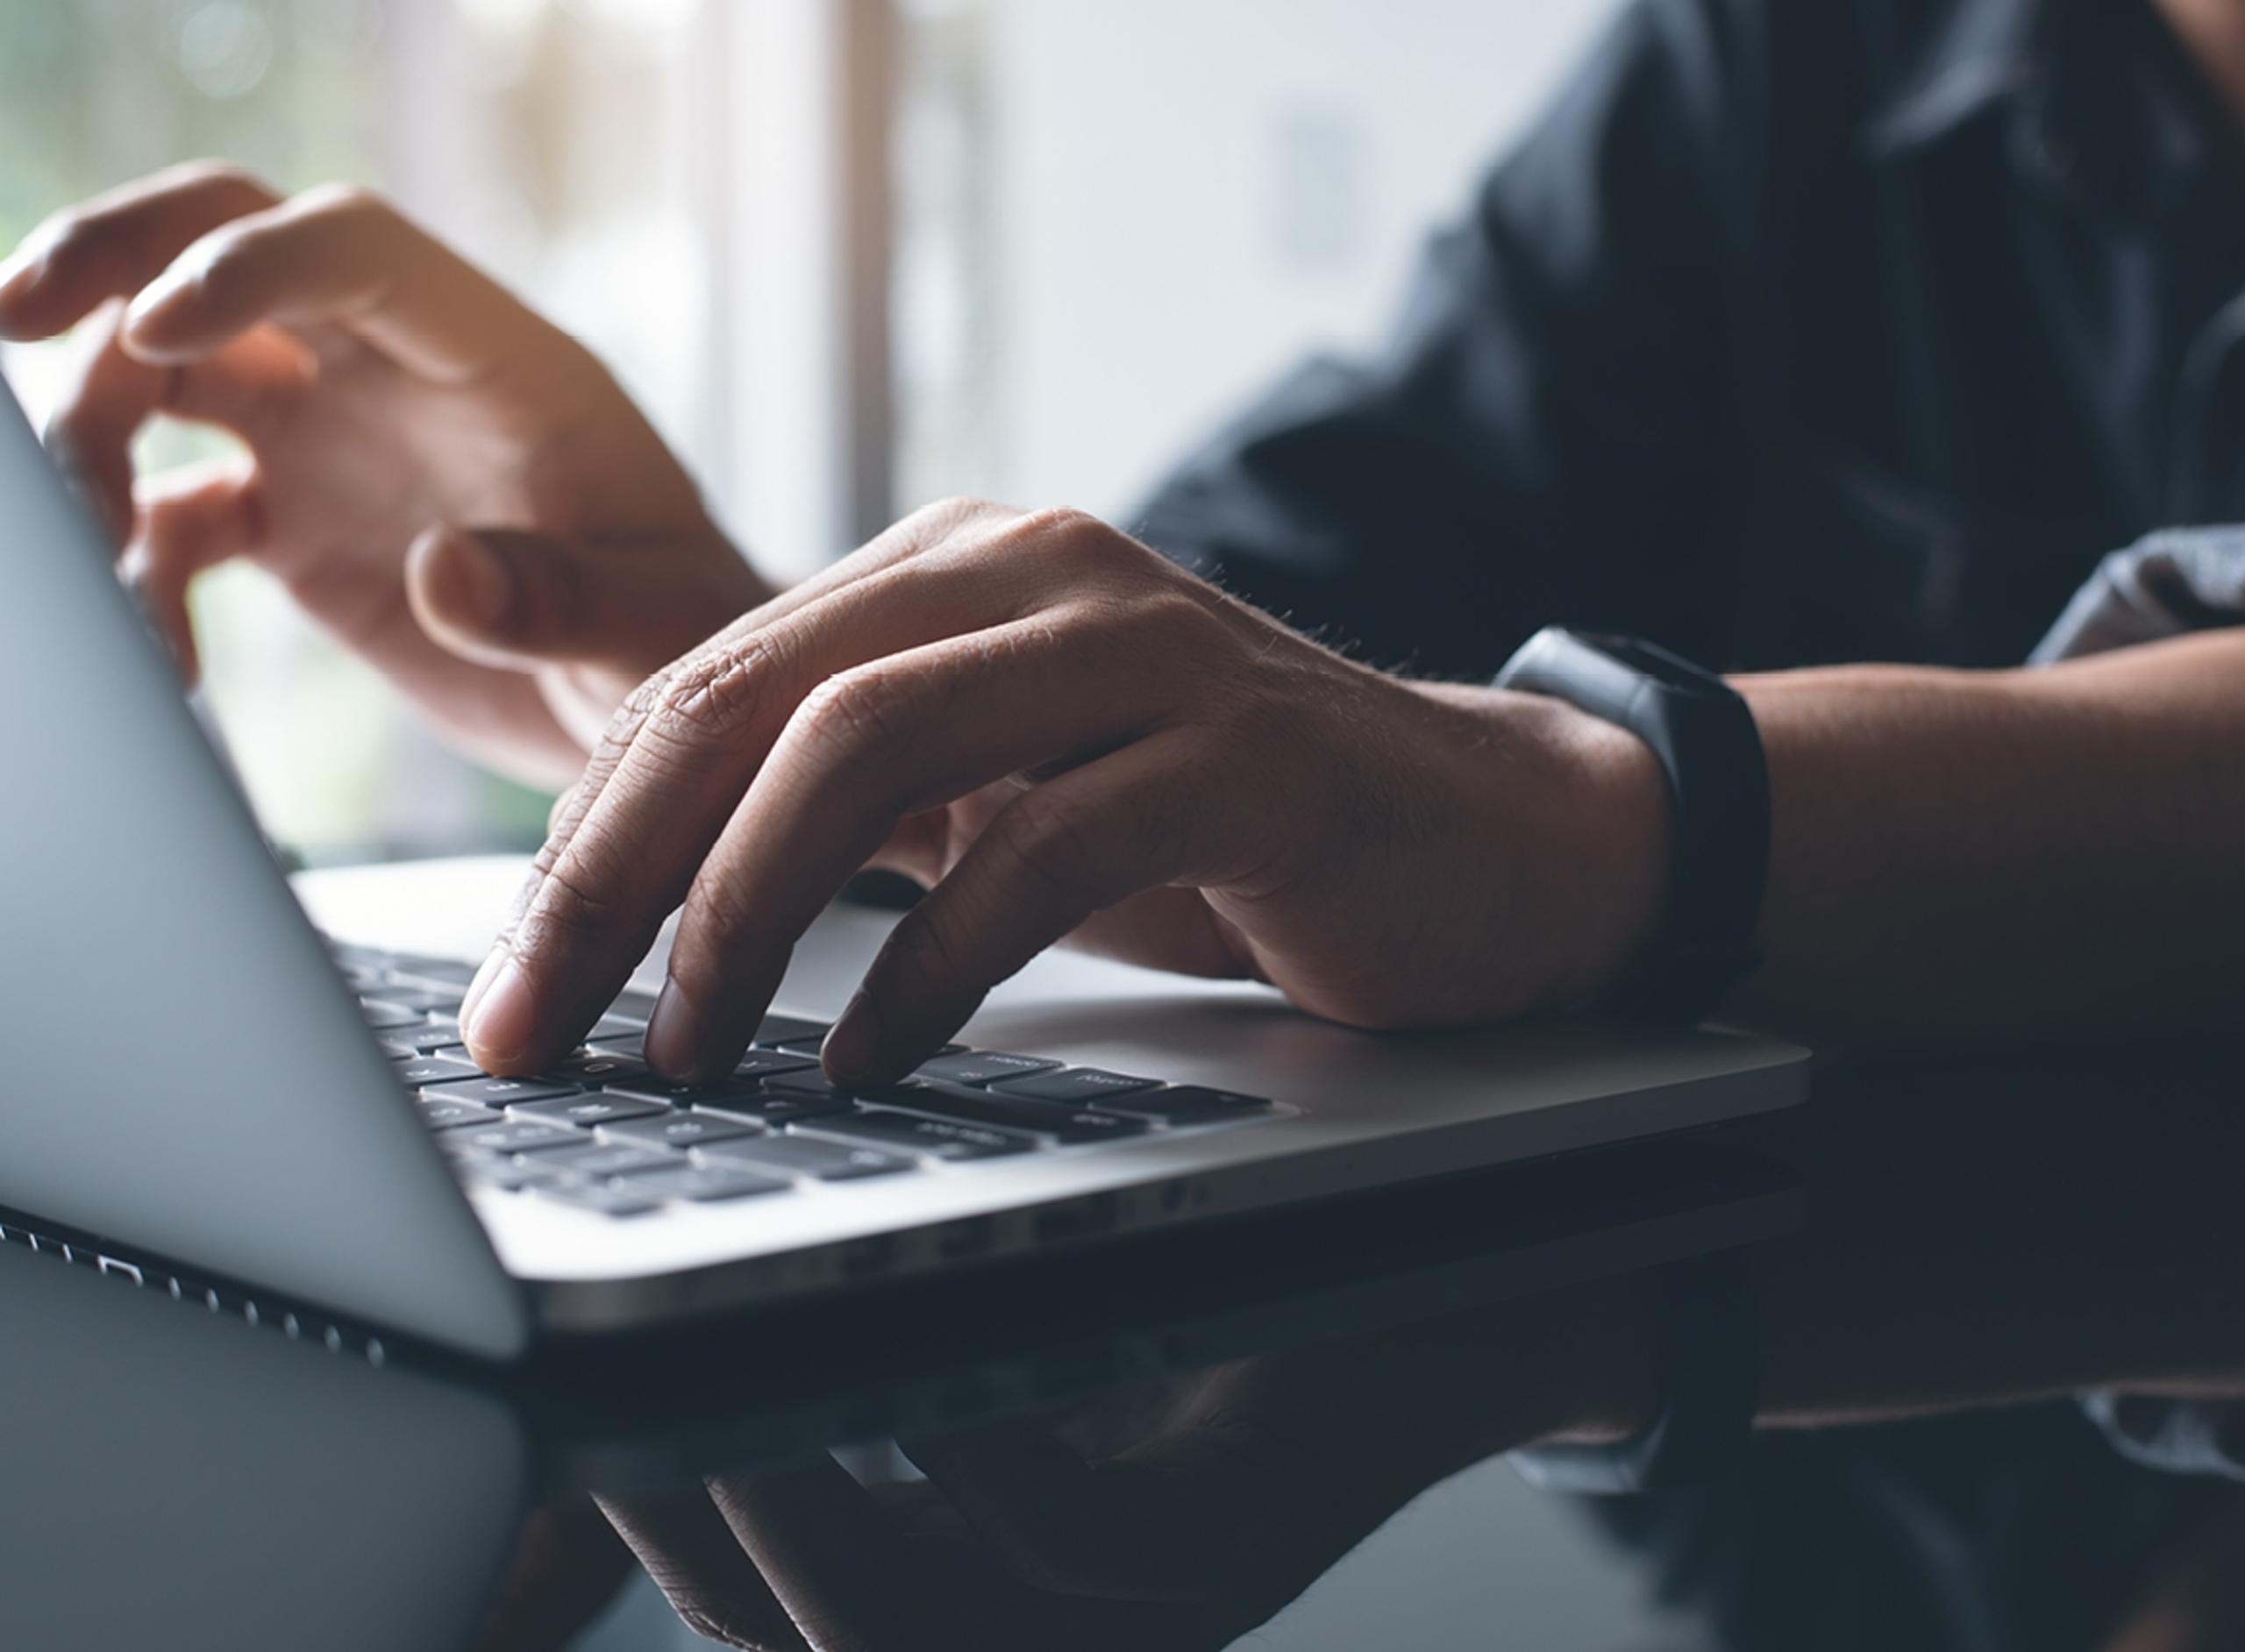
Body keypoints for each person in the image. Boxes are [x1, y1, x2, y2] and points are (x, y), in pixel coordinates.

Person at [2, 0, 2243, 1094]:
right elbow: (1254, 670)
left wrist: (1574, 808)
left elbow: (1442, 791)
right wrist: (728, 652)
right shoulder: (1789, 54)